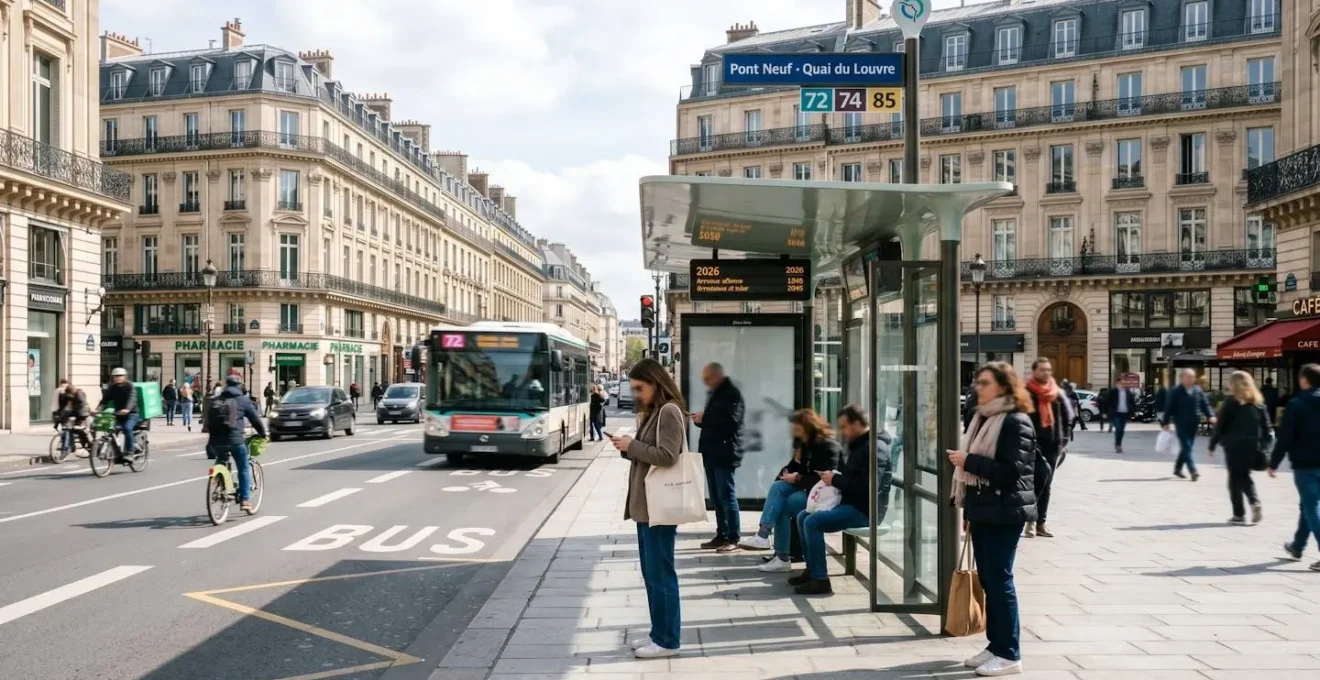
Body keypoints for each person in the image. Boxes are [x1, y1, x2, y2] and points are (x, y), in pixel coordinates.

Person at [949, 361, 1037, 677]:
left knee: (1000, 581)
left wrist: (968, 461)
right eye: (978, 382)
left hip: (1006, 512)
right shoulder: (983, 418)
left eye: (984, 383)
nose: (977, 388)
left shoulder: (1016, 422)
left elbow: (1011, 473)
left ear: (1003, 385)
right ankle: (995, 645)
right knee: (988, 580)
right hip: (985, 510)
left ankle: (1010, 653)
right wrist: (969, 514)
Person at [607, 358, 686, 659]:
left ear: (656, 383)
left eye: (640, 387)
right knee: (651, 573)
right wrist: (627, 448)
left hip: (659, 506)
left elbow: (668, 456)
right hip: (648, 506)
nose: (637, 394)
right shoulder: (655, 412)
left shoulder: (668, 411)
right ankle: (658, 634)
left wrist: (632, 446)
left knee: (661, 574)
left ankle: (667, 640)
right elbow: (649, 454)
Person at [792, 404, 891, 595]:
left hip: (865, 510)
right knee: (803, 515)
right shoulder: (859, 444)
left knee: (812, 521)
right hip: (851, 503)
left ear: (857, 424)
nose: (843, 432)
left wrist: (835, 479)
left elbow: (869, 487)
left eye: (845, 426)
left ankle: (821, 580)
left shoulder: (874, 448)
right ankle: (812, 570)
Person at [740, 409, 842, 572]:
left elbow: (826, 479)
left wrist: (798, 478)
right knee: (778, 487)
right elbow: (796, 468)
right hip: (808, 490)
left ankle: (780, 555)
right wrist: (791, 467)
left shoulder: (828, 446)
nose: (794, 433)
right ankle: (764, 536)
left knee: (783, 506)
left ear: (807, 427)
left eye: (797, 429)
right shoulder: (807, 445)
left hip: (822, 495)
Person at [1271, 363, 1320, 572]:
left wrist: (1273, 462)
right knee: (1306, 506)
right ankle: (1297, 546)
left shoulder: (1297, 403)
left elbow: (1285, 437)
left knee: (1311, 507)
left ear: (1304, 380)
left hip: (1305, 464)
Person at [693, 362, 745, 553]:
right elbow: (715, 421)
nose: (706, 383)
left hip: (724, 453)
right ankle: (721, 534)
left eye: (708, 379)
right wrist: (701, 420)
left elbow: (732, 422)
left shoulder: (732, 394)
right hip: (711, 452)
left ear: (717, 376)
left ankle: (733, 537)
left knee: (726, 496)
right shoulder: (715, 393)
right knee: (716, 496)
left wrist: (705, 418)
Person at [1208, 371, 1270, 526]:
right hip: (1252, 446)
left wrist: (1212, 445)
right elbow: (1268, 429)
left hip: (1233, 446)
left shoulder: (1230, 402)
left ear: (1234, 384)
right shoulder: (1259, 403)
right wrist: (1266, 447)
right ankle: (1244, 510)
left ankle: (1243, 511)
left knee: (1237, 477)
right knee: (1241, 476)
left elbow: (1220, 426)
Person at [208, 375, 269, 513]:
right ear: (239, 386)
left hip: (215, 442)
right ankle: (245, 500)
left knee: (221, 460)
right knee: (244, 467)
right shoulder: (243, 400)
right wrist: (262, 433)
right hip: (235, 440)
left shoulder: (216, 400)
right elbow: (255, 420)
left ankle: (219, 483)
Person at [1024, 358, 1067, 538]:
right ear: (1034, 371)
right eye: (1042, 370)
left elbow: (1065, 418)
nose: (1046, 373)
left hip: (1051, 444)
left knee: (1046, 484)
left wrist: (1063, 440)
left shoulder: (1055, 393)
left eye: (1049, 370)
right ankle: (1030, 521)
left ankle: (1041, 522)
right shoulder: (1025, 393)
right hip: (1032, 444)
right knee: (1033, 482)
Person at [1162, 368, 1216, 481]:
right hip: (1181, 422)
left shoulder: (1197, 390)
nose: (1192, 379)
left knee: (1188, 446)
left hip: (1194, 422)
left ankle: (1177, 468)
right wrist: (1165, 422)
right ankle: (1193, 470)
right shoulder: (1176, 391)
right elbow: (1168, 407)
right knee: (1186, 446)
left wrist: (1210, 415)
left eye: (1193, 377)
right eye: (1189, 377)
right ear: (1182, 378)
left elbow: (1205, 404)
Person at [97, 367, 142, 456]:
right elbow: (104, 401)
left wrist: (127, 409)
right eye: (115, 376)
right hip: (118, 414)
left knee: (127, 428)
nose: (118, 378)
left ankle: (130, 451)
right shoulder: (112, 388)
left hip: (132, 414)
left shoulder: (129, 386)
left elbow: (132, 398)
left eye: (120, 375)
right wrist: (97, 410)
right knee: (110, 429)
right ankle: (115, 452)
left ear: (125, 376)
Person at [1103, 377, 1140, 453]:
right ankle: (1118, 445)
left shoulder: (1127, 392)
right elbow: (1106, 402)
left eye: (1124, 383)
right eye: (1121, 383)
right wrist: (1104, 412)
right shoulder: (1113, 391)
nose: (1123, 385)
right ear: (1117, 384)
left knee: (1122, 430)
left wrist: (1135, 411)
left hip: (1124, 413)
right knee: (1119, 429)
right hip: (1115, 413)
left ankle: (1118, 444)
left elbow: (1132, 402)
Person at [55, 380, 91, 453]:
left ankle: (87, 443)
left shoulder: (79, 393)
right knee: (69, 428)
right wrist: (59, 417)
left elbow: (83, 406)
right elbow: (63, 406)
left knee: (77, 429)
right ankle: (72, 445)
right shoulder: (68, 395)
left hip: (82, 414)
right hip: (75, 412)